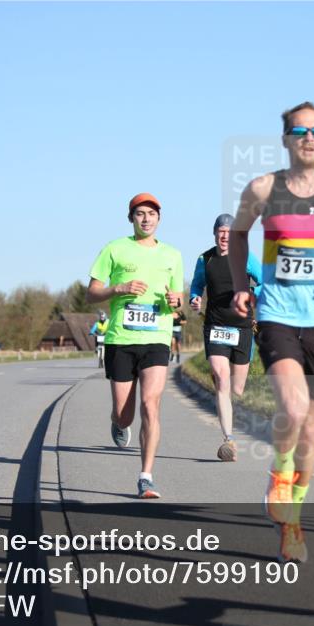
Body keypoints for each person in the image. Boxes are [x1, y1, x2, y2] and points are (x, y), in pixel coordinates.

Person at [229, 101, 314, 563]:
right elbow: (239, 234)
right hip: (278, 313)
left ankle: (293, 522)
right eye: (299, 131)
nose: (309, 138)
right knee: (293, 409)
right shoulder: (262, 188)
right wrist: (241, 285)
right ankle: (279, 473)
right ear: (285, 139)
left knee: (313, 428)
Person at [87, 192, 185, 499]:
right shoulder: (115, 249)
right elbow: (92, 292)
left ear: (159, 218)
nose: (146, 219)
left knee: (150, 405)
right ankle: (117, 422)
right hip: (122, 339)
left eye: (152, 214)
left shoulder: (172, 255)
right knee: (125, 413)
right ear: (131, 218)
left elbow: (179, 301)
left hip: (156, 337)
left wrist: (176, 302)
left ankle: (146, 477)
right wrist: (120, 287)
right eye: (140, 213)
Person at [189, 214, 263, 462]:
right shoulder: (205, 259)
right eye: (220, 231)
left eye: (229, 232)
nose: (224, 236)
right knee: (222, 379)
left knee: (238, 389)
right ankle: (228, 440)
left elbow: (265, 282)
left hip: (242, 328)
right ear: (214, 234)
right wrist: (195, 298)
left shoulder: (246, 256)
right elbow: (197, 285)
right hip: (216, 326)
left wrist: (253, 293)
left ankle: (232, 410)